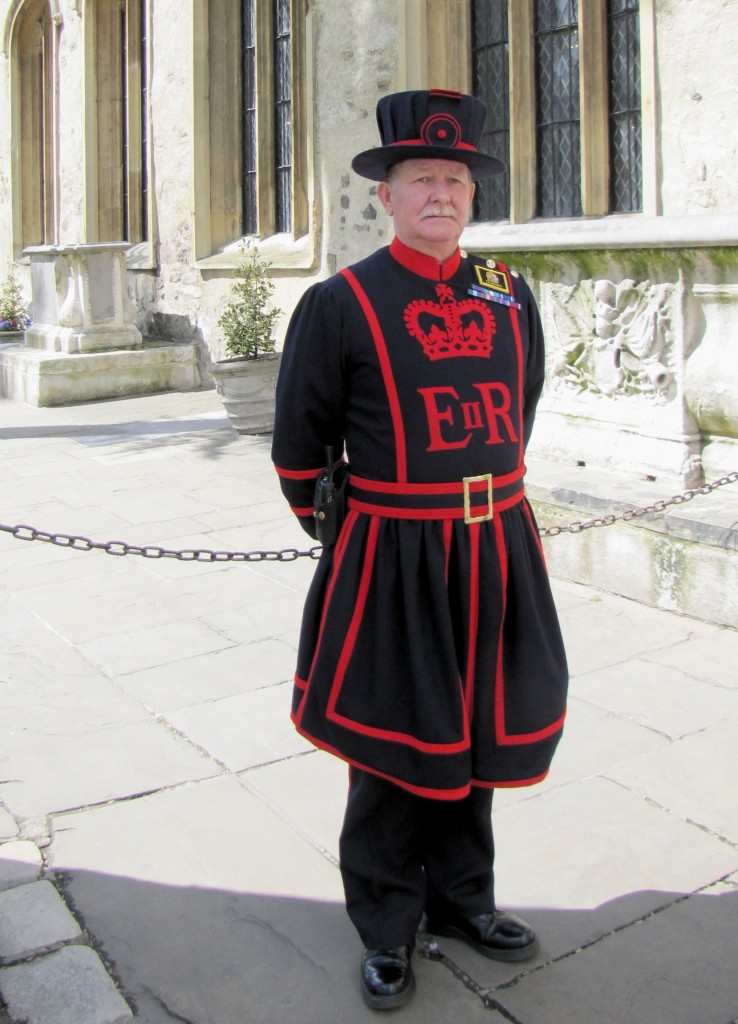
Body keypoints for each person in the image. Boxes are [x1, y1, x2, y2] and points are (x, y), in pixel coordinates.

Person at [271, 89, 568, 1012]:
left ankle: (463, 901)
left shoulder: (507, 294)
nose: (440, 194)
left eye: (454, 179)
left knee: (476, 733)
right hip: (393, 554)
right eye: (420, 180)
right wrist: (362, 539)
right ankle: (388, 926)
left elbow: (522, 407)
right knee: (397, 747)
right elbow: (297, 450)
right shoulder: (341, 302)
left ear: (471, 197)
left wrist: (490, 505)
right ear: (386, 198)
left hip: (497, 548)